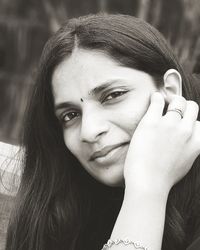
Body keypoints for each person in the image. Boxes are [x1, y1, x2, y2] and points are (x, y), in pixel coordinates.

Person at [4, 13, 200, 250]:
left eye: (113, 96)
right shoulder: (60, 207)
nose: (89, 131)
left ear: (170, 89)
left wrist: (148, 188)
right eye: (70, 115)